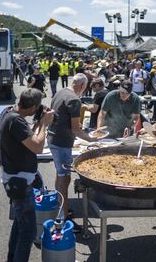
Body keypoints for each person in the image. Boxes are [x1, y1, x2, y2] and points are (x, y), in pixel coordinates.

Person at [0, 88, 54, 262]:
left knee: (19, 225)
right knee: (28, 232)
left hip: (15, 177)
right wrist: (45, 124)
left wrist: (38, 121)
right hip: (20, 182)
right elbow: (37, 147)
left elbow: (27, 135)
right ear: (33, 107)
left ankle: (11, 258)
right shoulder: (16, 121)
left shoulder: (9, 112)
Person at [47, 73, 94, 232]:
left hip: (54, 139)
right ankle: (63, 217)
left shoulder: (60, 92)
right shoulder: (74, 99)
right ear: (81, 86)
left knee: (60, 175)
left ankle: (62, 208)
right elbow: (75, 129)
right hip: (61, 142)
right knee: (64, 178)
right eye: (85, 88)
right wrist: (91, 140)